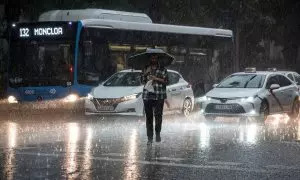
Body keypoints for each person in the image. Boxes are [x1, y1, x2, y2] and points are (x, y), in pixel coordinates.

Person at [141, 54, 168, 145]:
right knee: (149, 117)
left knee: (158, 116)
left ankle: (157, 133)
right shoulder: (146, 68)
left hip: (159, 95)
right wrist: (145, 73)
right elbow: (141, 81)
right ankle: (149, 138)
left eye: (155, 58)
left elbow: (166, 81)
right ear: (150, 59)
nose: (154, 59)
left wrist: (156, 78)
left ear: (157, 59)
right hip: (147, 95)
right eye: (152, 57)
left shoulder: (162, 69)